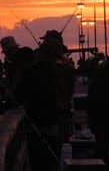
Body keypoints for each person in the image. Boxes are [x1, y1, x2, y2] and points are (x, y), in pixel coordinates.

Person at [23, 30, 75, 171]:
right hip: (62, 111)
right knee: (57, 148)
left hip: (43, 117)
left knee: (40, 155)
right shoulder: (67, 66)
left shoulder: (39, 67)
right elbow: (70, 87)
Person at [0, 36, 33, 106]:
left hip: (26, 99)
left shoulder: (20, 61)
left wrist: (8, 94)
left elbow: (17, 80)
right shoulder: (25, 56)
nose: (6, 56)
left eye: (6, 53)